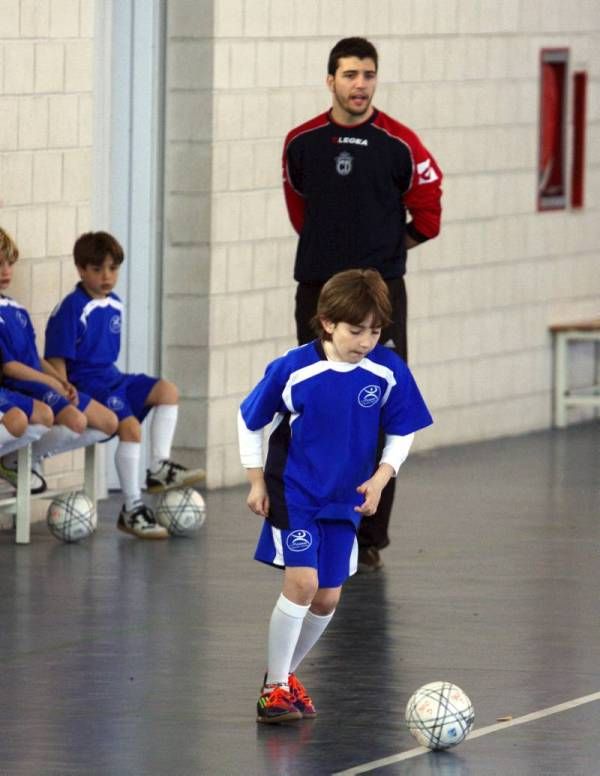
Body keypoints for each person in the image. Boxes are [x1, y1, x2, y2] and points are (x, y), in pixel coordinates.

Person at [238, 269, 432, 723]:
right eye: (355, 330)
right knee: (302, 585)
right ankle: (274, 690)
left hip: (344, 499)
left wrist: (382, 477)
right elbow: (249, 419)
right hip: (296, 490)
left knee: (327, 599)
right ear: (327, 322)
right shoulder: (294, 367)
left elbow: (402, 430)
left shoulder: (387, 370)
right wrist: (255, 480)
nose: (366, 340)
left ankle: (283, 676)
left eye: (375, 330)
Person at [282, 36, 443, 571]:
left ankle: (367, 535)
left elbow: (427, 216)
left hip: (380, 292)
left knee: (378, 405)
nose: (360, 85)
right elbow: (300, 212)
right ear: (330, 80)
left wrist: (384, 255)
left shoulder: (401, 145)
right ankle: (312, 516)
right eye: (350, 75)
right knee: (313, 401)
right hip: (318, 287)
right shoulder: (301, 143)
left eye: (368, 75)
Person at [44, 231, 205, 540]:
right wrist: (64, 392)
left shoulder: (114, 303)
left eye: (113, 269)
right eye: (97, 269)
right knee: (130, 428)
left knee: (167, 391)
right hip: (88, 385)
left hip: (112, 378)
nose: (107, 276)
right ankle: (132, 508)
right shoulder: (72, 308)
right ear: (80, 269)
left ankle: (158, 467)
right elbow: (56, 359)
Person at [0, 226, 114, 494]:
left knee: (107, 423)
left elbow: (33, 357)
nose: (6, 271)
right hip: (21, 384)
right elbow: (11, 367)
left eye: (9, 264)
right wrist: (49, 382)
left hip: (37, 381)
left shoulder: (17, 310)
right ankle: (17, 461)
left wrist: (61, 381)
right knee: (48, 416)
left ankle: (24, 459)